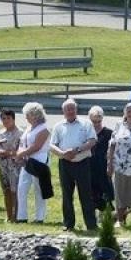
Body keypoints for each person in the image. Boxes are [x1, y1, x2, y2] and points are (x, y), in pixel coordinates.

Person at [50, 98, 98, 232]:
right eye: (67, 109)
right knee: (66, 194)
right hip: (65, 163)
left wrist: (77, 150)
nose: (70, 111)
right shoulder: (58, 126)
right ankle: (68, 223)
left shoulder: (86, 123)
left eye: (72, 108)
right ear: (63, 111)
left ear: (76, 110)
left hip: (82, 162)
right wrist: (63, 153)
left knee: (86, 194)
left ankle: (91, 224)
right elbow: (52, 145)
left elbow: (92, 141)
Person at [17, 102, 53, 223]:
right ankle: (22, 216)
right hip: (27, 161)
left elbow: (37, 146)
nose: (26, 117)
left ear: (35, 115)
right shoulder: (28, 128)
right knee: (22, 188)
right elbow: (23, 143)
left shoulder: (44, 129)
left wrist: (21, 154)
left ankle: (40, 217)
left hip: (39, 161)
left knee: (39, 189)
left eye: (28, 115)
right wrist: (21, 153)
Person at [0, 109, 22, 224]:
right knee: (6, 190)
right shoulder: (0, 133)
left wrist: (9, 153)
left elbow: (20, 150)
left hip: (14, 166)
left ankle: (16, 215)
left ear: (13, 119)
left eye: (8, 118)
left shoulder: (20, 133)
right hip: (2, 165)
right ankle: (8, 215)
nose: (6, 121)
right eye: (3, 118)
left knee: (15, 191)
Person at [87, 106, 115, 211]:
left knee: (105, 194)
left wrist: (111, 165)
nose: (96, 124)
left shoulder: (109, 133)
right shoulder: (86, 132)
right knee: (91, 193)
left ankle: (111, 215)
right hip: (89, 166)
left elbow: (112, 150)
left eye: (99, 121)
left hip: (103, 166)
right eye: (94, 121)